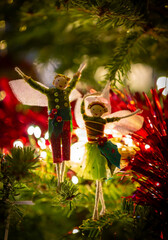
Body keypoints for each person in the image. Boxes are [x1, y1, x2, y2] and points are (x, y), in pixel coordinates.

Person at [15, 66, 84, 187]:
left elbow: (72, 84)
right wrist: (27, 79)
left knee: (66, 145)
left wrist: (77, 75)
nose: (61, 84)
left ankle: (63, 172)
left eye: (63, 83)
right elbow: (38, 87)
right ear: (54, 83)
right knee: (56, 144)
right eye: (59, 82)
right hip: (54, 123)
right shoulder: (50, 92)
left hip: (66, 123)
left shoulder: (67, 92)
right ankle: (59, 178)